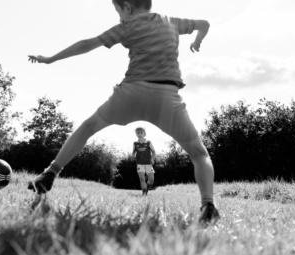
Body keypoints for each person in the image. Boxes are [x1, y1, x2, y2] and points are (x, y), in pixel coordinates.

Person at [28, 0, 220, 225]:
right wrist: (197, 41)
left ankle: (50, 174)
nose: (119, 17)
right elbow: (204, 24)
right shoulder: (172, 22)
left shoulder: (127, 26)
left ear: (127, 7)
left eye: (118, 12)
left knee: (89, 126)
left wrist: (51, 59)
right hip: (166, 98)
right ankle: (208, 204)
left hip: (131, 93)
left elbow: (88, 44)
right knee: (199, 153)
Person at [132, 127, 156, 195]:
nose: (139, 134)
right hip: (140, 164)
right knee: (142, 179)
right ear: (136, 134)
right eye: (138, 133)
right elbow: (133, 152)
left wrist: (152, 159)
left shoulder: (148, 142)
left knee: (151, 180)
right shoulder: (135, 143)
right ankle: (144, 192)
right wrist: (133, 155)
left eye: (141, 133)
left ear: (144, 134)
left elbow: (153, 152)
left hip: (148, 164)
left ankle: (147, 187)